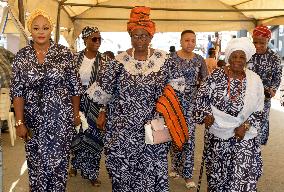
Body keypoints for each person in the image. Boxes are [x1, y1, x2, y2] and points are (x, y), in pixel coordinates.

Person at [86, 6, 185, 192]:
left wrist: (166, 107)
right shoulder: (119, 61)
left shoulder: (164, 60)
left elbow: (178, 88)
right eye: (135, 36)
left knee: (152, 170)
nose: (139, 40)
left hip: (155, 125)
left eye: (144, 36)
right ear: (130, 36)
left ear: (151, 37)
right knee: (122, 170)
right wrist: (102, 112)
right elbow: (103, 93)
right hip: (123, 127)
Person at [10, 9, 82, 191]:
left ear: (51, 30)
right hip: (33, 122)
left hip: (60, 121)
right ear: (30, 30)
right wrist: (19, 122)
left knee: (58, 166)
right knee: (36, 166)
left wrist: (75, 115)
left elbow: (75, 88)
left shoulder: (64, 54)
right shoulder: (22, 57)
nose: (41, 32)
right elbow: (17, 92)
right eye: (36, 28)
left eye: (45, 28)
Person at [195, 37, 264, 192]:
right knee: (217, 178)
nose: (237, 60)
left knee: (241, 177)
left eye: (242, 57)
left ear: (246, 60)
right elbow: (201, 98)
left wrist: (245, 126)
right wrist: (206, 114)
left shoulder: (255, 80)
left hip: (243, 135)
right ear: (228, 58)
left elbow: (260, 109)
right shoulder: (216, 76)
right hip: (218, 134)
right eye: (234, 56)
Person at [69, 26, 110, 186]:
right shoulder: (74, 59)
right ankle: (74, 165)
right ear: (85, 40)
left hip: (96, 104)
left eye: (100, 39)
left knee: (95, 138)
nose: (97, 42)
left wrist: (103, 110)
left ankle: (92, 173)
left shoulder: (105, 60)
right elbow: (69, 83)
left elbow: (107, 86)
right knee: (77, 136)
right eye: (94, 39)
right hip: (76, 102)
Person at [169, 29, 208, 189]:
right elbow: (164, 79)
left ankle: (187, 174)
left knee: (189, 139)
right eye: (186, 40)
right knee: (174, 136)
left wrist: (204, 104)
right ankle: (175, 166)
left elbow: (205, 81)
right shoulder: (171, 58)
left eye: (193, 40)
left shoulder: (199, 59)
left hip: (192, 103)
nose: (190, 43)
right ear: (180, 41)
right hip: (174, 102)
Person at [247, 25, 283, 145]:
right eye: (255, 42)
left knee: (260, 127)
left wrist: (272, 90)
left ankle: (255, 153)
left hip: (264, 99)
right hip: (247, 97)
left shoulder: (274, 58)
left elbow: (277, 79)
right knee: (245, 126)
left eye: (262, 43)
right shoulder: (248, 54)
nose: (258, 45)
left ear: (268, 41)